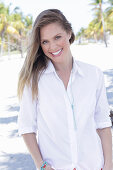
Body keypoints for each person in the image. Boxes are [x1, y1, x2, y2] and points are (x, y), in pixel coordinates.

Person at [17, 9, 112, 170]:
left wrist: (109, 164)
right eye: (45, 41)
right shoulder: (33, 81)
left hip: (95, 165)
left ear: (69, 32)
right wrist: (41, 165)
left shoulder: (93, 74)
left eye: (57, 37)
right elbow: (27, 128)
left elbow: (103, 123)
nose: (52, 46)